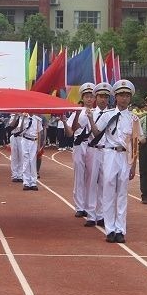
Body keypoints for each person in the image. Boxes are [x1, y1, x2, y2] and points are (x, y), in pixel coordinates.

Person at [89, 79, 143, 243]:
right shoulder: (108, 115)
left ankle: (120, 229)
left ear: (130, 98)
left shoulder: (134, 119)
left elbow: (135, 143)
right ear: (116, 97)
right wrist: (91, 119)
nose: (124, 98)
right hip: (110, 154)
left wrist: (134, 165)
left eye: (127, 95)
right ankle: (110, 229)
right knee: (108, 191)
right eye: (121, 95)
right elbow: (97, 132)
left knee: (122, 194)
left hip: (125, 156)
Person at [84, 81, 112, 228]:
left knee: (103, 183)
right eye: (100, 96)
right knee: (91, 182)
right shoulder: (90, 113)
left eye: (106, 97)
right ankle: (90, 214)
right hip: (93, 149)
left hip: (106, 151)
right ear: (96, 97)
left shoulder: (112, 114)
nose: (103, 99)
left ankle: (101, 214)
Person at [64, 82, 95, 217]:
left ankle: (90, 205)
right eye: (86, 96)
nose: (89, 99)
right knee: (79, 176)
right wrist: (67, 120)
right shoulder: (77, 111)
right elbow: (70, 133)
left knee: (92, 177)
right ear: (82, 97)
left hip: (92, 146)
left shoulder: (98, 112)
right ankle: (79, 206)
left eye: (91, 96)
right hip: (79, 145)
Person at [17, 112, 43, 190]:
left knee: (32, 161)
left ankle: (33, 182)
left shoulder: (37, 119)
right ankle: (26, 182)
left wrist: (38, 145)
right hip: (25, 140)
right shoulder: (23, 118)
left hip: (33, 141)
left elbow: (39, 133)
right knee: (26, 161)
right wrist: (22, 119)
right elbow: (20, 129)